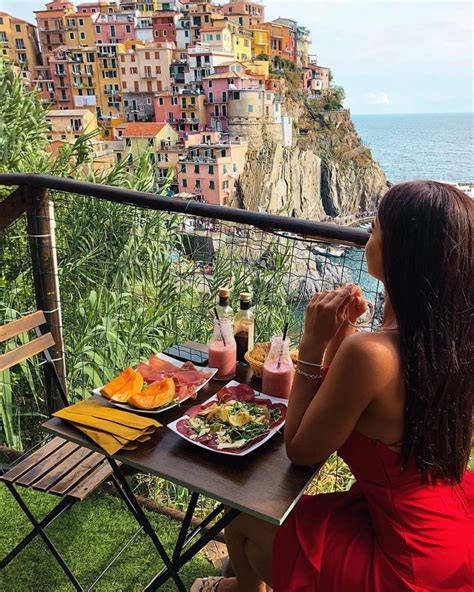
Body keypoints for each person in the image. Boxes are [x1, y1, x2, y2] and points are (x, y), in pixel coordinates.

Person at [191, 181, 474, 592]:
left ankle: (237, 587)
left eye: (374, 229)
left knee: (239, 516)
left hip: (404, 563)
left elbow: (301, 449)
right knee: (252, 537)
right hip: (442, 524)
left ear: (400, 253)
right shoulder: (446, 341)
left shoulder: (372, 354)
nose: (366, 236)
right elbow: (358, 403)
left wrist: (312, 343)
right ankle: (236, 580)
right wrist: (345, 333)